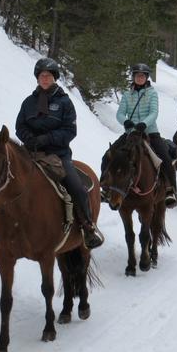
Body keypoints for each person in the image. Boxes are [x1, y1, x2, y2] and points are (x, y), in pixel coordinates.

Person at [15, 57, 104, 249]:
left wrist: (47, 139)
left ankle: (88, 227)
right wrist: (29, 138)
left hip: (58, 155)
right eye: (41, 75)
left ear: (54, 78)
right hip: (29, 153)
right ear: (37, 78)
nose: (45, 79)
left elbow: (70, 131)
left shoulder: (65, 103)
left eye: (48, 75)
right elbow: (19, 126)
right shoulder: (28, 102)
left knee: (77, 188)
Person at [111, 63, 177, 208]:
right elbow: (120, 113)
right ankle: (106, 187)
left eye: (142, 76)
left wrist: (143, 124)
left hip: (149, 132)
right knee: (109, 155)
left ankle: (170, 190)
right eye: (137, 75)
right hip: (130, 134)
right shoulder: (127, 94)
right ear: (133, 77)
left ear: (146, 77)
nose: (140, 78)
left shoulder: (152, 93)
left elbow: (154, 113)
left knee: (165, 158)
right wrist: (126, 121)